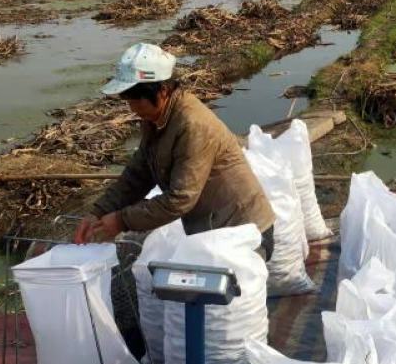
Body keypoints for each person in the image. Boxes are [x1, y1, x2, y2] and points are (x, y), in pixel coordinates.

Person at [74, 43, 275, 260]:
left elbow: (180, 199)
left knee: (217, 292)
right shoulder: (155, 119)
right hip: (211, 232)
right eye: (128, 101)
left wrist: (122, 220)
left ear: (162, 91)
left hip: (244, 233)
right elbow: (138, 174)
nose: (132, 109)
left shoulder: (192, 125)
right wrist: (99, 211)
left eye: (136, 101)